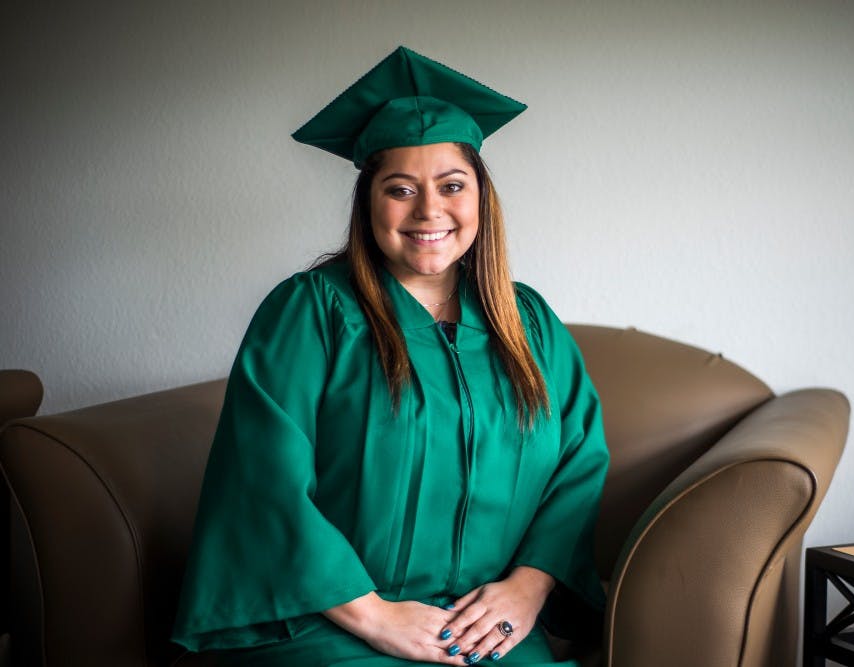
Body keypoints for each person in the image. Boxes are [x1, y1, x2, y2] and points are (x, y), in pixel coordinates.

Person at [172, 46, 609, 667]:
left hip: (489, 628)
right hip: (329, 620)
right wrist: (372, 616)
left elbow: (578, 463)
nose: (429, 211)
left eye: (452, 186)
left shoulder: (528, 322)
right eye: (400, 189)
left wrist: (527, 589)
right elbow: (261, 476)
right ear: (368, 203)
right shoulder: (312, 312)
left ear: (480, 198)